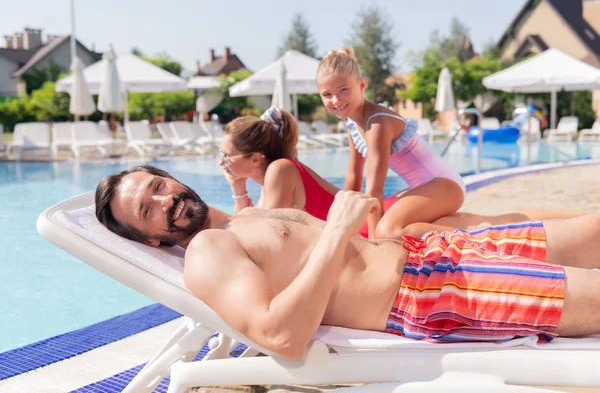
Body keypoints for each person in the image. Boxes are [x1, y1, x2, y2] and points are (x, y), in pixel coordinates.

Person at [95, 165, 600, 359]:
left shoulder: (242, 220)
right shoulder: (207, 253)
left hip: (433, 252)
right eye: (148, 210)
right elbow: (280, 337)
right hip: (430, 294)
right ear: (153, 241)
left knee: (592, 231)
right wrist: (336, 230)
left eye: (159, 186)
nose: (165, 201)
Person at [220, 106, 580, 237]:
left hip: (373, 225)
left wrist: (238, 192)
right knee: (489, 222)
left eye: (227, 156)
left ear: (255, 158)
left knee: (487, 226)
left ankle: (582, 223)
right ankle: (580, 220)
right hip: (374, 219)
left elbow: (262, 234)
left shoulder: (280, 170)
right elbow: (256, 226)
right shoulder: (279, 172)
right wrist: (238, 188)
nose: (222, 163)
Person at [316, 47, 465, 239]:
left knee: (386, 232)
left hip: (445, 186)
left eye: (343, 90)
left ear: (362, 85)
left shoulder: (377, 123)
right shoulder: (353, 125)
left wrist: (372, 243)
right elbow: (354, 176)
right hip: (423, 187)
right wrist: (343, 224)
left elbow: (374, 189)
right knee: (377, 219)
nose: (336, 100)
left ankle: (467, 236)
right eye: (327, 94)